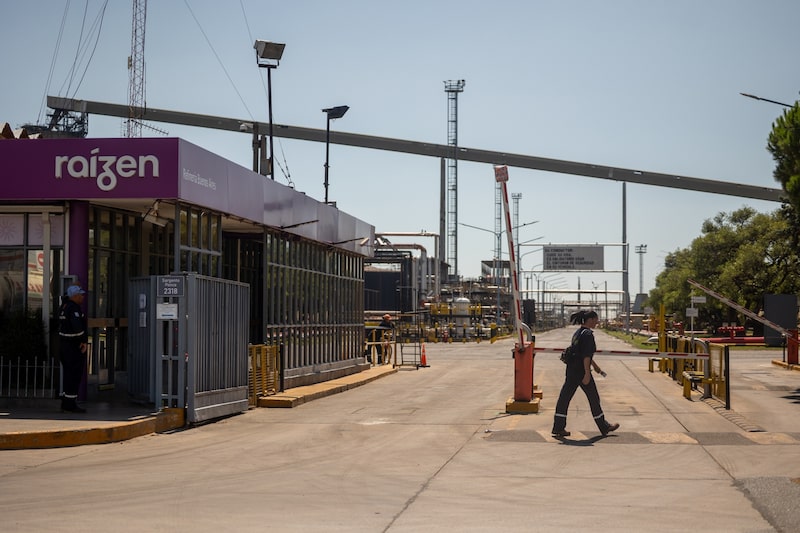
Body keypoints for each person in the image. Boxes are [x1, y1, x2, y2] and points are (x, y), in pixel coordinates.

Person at [551, 309, 619, 438]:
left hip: (571, 370)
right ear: (591, 320)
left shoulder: (578, 333)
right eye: (596, 319)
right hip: (581, 372)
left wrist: (596, 367)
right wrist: (587, 373)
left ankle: (558, 427)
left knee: (564, 398)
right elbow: (586, 356)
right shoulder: (588, 334)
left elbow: (583, 354)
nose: (597, 322)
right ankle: (604, 426)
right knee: (593, 398)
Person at [58, 285, 88, 413]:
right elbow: (77, 328)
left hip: (64, 345)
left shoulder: (64, 306)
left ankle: (66, 402)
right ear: (74, 296)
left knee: (68, 375)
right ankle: (70, 404)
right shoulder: (73, 308)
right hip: (73, 347)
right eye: (80, 295)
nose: (82, 297)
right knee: (74, 375)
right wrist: (82, 341)